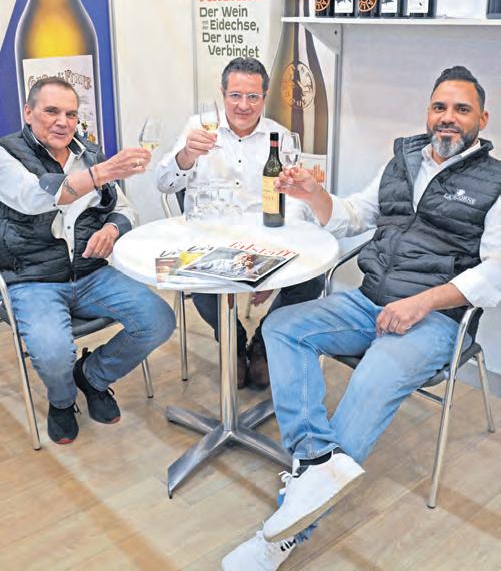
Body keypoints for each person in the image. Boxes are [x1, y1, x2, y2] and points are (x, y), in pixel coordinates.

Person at [222, 66, 501, 569]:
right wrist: (311, 194)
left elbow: (495, 271)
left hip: (436, 318)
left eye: (462, 109)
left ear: (482, 119)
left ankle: (283, 535)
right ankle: (316, 460)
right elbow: (354, 214)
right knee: (282, 326)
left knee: (371, 377)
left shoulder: (496, 183)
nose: (448, 118)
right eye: (439, 107)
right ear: (428, 112)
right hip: (369, 300)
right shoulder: (403, 159)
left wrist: (421, 303)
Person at [0, 77, 176, 445]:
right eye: (51, 111)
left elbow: (124, 207)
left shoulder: (88, 153)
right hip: (33, 279)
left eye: (70, 114)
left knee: (159, 319)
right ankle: (63, 402)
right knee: (53, 353)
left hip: (92, 273)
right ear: (28, 113)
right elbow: (34, 198)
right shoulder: (6, 155)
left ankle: (93, 376)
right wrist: (101, 173)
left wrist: (112, 228)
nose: (63, 122)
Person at [155, 57, 324, 389]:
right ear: (223, 94)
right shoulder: (198, 128)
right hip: (209, 242)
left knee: (311, 280)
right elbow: (163, 183)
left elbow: (294, 202)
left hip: (265, 242)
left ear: (264, 97)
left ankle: (263, 341)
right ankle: (231, 339)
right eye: (235, 95)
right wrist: (186, 156)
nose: (243, 105)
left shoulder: (279, 136)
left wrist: (274, 266)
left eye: (252, 97)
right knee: (199, 285)